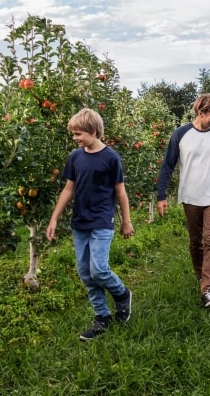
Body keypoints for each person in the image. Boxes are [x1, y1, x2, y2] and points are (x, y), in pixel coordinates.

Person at [46, 108, 134, 341]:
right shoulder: (75, 157)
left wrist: (127, 221)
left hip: (102, 221)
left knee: (99, 269)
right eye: (73, 134)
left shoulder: (111, 158)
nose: (75, 138)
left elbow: (121, 193)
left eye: (78, 134)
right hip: (80, 222)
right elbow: (68, 189)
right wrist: (54, 218)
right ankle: (101, 317)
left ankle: (122, 294)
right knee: (85, 272)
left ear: (94, 131)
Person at [157, 93, 210, 309]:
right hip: (191, 196)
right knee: (195, 241)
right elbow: (167, 165)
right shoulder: (181, 134)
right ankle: (200, 276)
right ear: (201, 113)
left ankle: (208, 289)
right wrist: (161, 195)